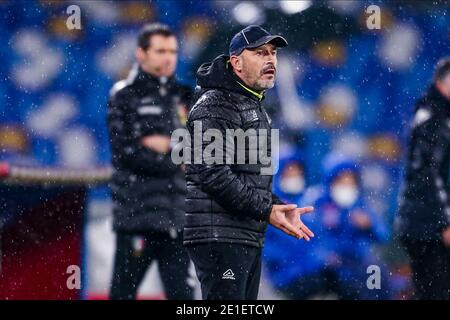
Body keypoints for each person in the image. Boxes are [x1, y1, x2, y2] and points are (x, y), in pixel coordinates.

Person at [183, 25, 315, 300]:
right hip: (219, 235)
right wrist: (267, 210)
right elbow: (213, 174)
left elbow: (247, 178)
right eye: (259, 53)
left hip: (243, 233)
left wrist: (277, 205)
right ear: (236, 63)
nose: (270, 60)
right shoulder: (215, 104)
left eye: (273, 53)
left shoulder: (252, 104)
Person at [107, 23, 193, 300]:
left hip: (177, 218)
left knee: (184, 298)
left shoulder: (184, 96)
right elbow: (127, 153)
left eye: (173, 51)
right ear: (141, 53)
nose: (168, 57)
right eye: (160, 51)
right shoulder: (124, 96)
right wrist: (176, 157)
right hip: (138, 218)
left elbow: (203, 147)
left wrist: (166, 145)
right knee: (122, 294)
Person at [397, 57, 450, 299]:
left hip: (424, 223)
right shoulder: (434, 119)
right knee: (435, 291)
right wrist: (445, 222)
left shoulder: (431, 113)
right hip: (428, 227)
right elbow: (429, 176)